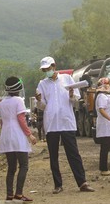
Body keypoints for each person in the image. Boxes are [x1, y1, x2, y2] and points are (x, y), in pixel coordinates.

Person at [36, 56, 94, 193]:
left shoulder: (67, 79)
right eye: (44, 70)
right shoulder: (42, 84)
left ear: (54, 66)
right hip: (51, 123)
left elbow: (75, 101)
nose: (47, 71)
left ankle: (82, 182)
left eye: (48, 68)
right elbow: (43, 106)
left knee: (73, 153)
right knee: (53, 155)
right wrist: (39, 101)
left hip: (66, 121)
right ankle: (58, 185)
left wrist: (72, 95)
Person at [0, 77, 38, 203]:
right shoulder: (19, 101)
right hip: (18, 135)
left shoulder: (2, 102)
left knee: (11, 168)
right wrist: (29, 135)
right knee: (24, 165)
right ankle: (19, 194)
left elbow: (1, 122)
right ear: (18, 88)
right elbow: (21, 119)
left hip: (6, 135)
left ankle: (9, 195)